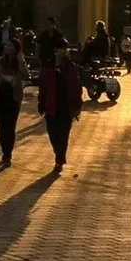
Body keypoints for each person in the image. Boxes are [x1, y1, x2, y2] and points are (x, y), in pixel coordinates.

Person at [38, 38, 82, 174]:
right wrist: (41, 102)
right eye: (59, 49)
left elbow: (76, 86)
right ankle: (58, 153)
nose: (61, 52)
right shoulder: (48, 65)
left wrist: (77, 104)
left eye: (64, 49)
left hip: (65, 106)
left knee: (63, 134)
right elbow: (43, 86)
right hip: (51, 105)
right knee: (52, 133)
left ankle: (59, 160)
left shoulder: (70, 67)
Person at [0, 39, 28, 166]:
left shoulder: (19, 63)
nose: (6, 47)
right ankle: (4, 149)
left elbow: (26, 75)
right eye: (6, 45)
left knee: (10, 127)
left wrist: (21, 60)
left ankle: (7, 154)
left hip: (14, 98)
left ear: (15, 48)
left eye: (9, 45)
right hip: (0, 97)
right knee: (1, 127)